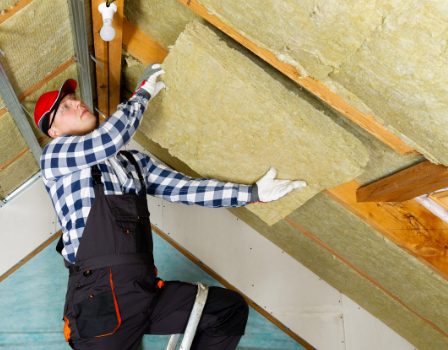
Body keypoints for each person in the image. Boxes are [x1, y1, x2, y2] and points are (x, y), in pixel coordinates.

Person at [34, 64, 306, 350]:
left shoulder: (133, 163)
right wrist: (141, 96)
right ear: (53, 131)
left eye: (74, 98)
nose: (77, 103)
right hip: (99, 301)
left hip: (144, 291)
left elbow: (187, 189)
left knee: (227, 310)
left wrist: (252, 193)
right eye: (64, 107)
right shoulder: (55, 156)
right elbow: (107, 140)